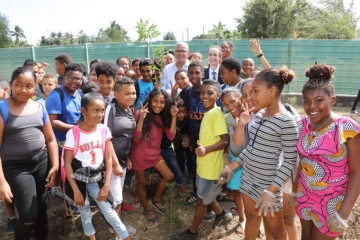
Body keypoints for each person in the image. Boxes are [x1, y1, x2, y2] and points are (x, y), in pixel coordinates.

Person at [219, 67, 299, 240]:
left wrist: (271, 191)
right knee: (252, 218)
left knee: (277, 232)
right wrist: (232, 166)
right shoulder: (259, 115)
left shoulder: (287, 122)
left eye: (255, 91)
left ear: (272, 90)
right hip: (248, 179)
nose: (251, 96)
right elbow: (253, 148)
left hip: (269, 184)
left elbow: (289, 161)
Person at [291, 63, 360, 240]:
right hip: (305, 195)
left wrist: (343, 214)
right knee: (305, 237)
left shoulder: (346, 128)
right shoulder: (303, 124)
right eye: (306, 101)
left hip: (333, 204)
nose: (311, 106)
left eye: (318, 100)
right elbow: (303, 162)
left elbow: (357, 172)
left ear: (333, 100)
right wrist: (294, 190)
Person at [0, 67, 59, 239]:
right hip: (16, 167)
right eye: (18, 85)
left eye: (29, 86)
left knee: (41, 208)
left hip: (41, 162)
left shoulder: (39, 107)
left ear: (35, 87)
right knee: (28, 216)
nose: (23, 90)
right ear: (11, 85)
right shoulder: (3, 108)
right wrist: (2, 182)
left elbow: (50, 139)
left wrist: (54, 165)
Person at [63, 92, 130, 240]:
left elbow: (108, 157)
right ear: (84, 111)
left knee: (108, 209)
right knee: (85, 210)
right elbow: (67, 163)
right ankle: (90, 236)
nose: (100, 114)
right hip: (77, 178)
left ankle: (124, 236)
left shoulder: (103, 130)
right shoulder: (73, 133)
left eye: (102, 110)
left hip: (96, 177)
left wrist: (106, 186)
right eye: (95, 110)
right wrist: (76, 191)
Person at [170, 80, 232, 239]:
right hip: (204, 164)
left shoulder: (216, 114)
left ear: (218, 95)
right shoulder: (209, 112)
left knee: (201, 201)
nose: (205, 96)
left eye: (210, 93)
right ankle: (221, 214)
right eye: (202, 93)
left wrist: (207, 150)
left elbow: (225, 140)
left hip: (210, 167)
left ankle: (192, 232)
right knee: (205, 194)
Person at [129, 88, 177, 223]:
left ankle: (156, 199)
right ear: (150, 101)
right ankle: (146, 209)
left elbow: (171, 135)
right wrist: (141, 119)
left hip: (155, 155)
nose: (158, 105)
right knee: (142, 183)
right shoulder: (141, 113)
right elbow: (136, 140)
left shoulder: (163, 116)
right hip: (139, 156)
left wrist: (173, 116)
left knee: (169, 176)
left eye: (162, 102)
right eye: (156, 101)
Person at [104, 77, 137, 236]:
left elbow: (125, 137)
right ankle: (118, 232)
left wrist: (127, 157)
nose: (132, 96)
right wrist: (114, 164)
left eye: (133, 93)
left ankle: (116, 227)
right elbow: (105, 138)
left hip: (123, 161)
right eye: (127, 93)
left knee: (116, 197)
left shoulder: (129, 110)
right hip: (111, 163)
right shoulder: (111, 109)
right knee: (116, 199)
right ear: (115, 94)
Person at [220, 87, 246, 233]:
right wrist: (227, 158)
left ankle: (255, 219)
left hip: (252, 159)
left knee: (252, 192)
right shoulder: (227, 118)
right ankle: (242, 219)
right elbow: (227, 140)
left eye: (232, 102)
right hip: (235, 160)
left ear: (241, 98)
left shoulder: (253, 115)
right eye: (226, 105)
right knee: (237, 191)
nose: (230, 107)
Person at [184, 61, 205, 206]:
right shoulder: (188, 92)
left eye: (197, 72)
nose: (194, 76)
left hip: (208, 136)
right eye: (190, 73)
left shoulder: (208, 89)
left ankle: (209, 195)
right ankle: (196, 191)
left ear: (203, 74)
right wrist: (186, 135)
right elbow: (185, 115)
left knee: (208, 166)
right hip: (194, 135)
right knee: (195, 165)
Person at [0, 78, 16, 235]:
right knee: (6, 190)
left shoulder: (18, 106)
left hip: (20, 158)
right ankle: (11, 218)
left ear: (5, 89)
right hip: (4, 158)